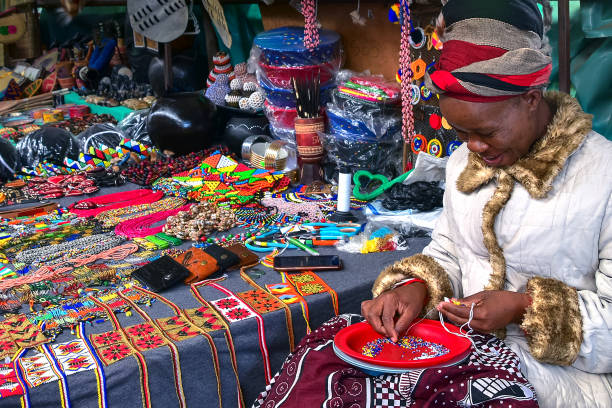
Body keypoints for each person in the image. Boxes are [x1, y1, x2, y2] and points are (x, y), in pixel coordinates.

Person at [253, 1, 612, 407]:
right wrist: (416, 287)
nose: (473, 147)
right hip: (459, 350)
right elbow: (449, 253)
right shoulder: (465, 163)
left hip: (564, 376)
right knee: (324, 364)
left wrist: (522, 308)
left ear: (531, 98)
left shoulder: (603, 176)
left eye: (486, 132)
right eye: (460, 132)